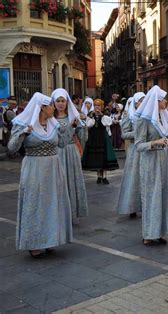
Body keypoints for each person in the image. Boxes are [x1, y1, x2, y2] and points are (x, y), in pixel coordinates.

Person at [8, 93, 72, 257]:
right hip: (34, 168)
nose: (53, 108)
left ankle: (51, 239)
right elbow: (12, 148)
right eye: (51, 105)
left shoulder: (53, 124)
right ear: (43, 107)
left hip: (53, 167)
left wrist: (70, 127)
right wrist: (23, 134)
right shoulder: (23, 123)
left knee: (53, 203)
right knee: (35, 203)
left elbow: (63, 143)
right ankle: (34, 242)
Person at [134, 85, 168, 245]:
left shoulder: (163, 117)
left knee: (163, 195)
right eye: (163, 99)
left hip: (165, 160)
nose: (166, 101)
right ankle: (148, 233)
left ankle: (160, 231)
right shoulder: (143, 119)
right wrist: (156, 142)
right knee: (151, 196)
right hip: (151, 162)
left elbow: (165, 141)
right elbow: (138, 145)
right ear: (156, 101)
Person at [51, 88, 89, 219]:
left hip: (71, 151)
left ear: (67, 102)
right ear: (53, 103)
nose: (60, 103)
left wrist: (83, 125)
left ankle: (71, 212)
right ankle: (58, 213)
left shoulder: (73, 117)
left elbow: (83, 137)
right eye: (58, 101)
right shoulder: (50, 118)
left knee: (71, 180)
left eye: (63, 101)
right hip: (56, 152)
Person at [117, 92, 145, 218]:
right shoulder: (129, 115)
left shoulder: (149, 114)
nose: (143, 103)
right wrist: (138, 133)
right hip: (136, 150)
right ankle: (132, 206)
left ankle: (146, 204)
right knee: (134, 178)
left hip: (148, 149)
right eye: (140, 101)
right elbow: (124, 134)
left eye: (145, 100)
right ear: (135, 102)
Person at [82, 99, 119, 184]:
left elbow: (108, 123)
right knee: (97, 158)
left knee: (104, 158)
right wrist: (92, 116)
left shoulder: (105, 115)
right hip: (94, 138)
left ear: (102, 106)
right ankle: (99, 176)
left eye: (98, 105)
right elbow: (89, 124)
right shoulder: (91, 115)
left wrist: (101, 115)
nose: (97, 107)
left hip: (103, 138)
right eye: (95, 105)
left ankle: (104, 176)